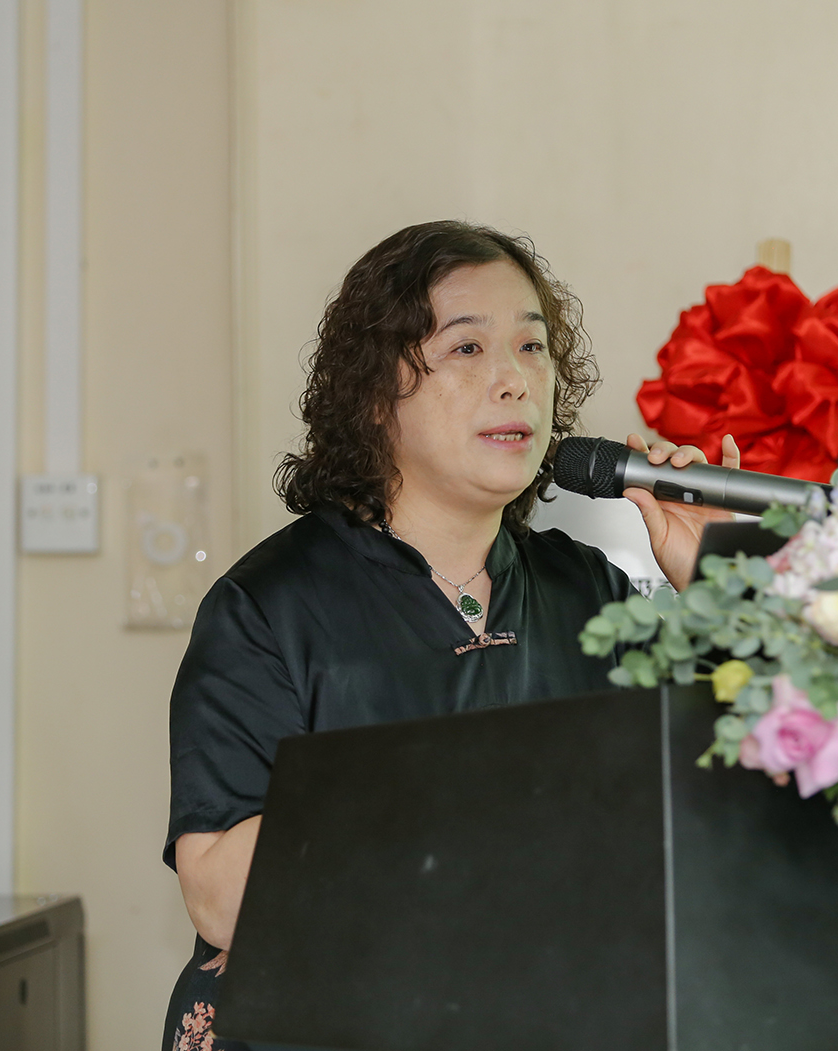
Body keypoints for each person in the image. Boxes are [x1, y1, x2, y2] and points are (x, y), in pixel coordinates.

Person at [161, 220, 739, 1050]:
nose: (514, 380)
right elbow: (219, 899)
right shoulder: (267, 607)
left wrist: (717, 584)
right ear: (373, 393)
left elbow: (722, 815)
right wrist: (483, 775)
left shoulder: (589, 590)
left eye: (532, 348)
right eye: (467, 348)